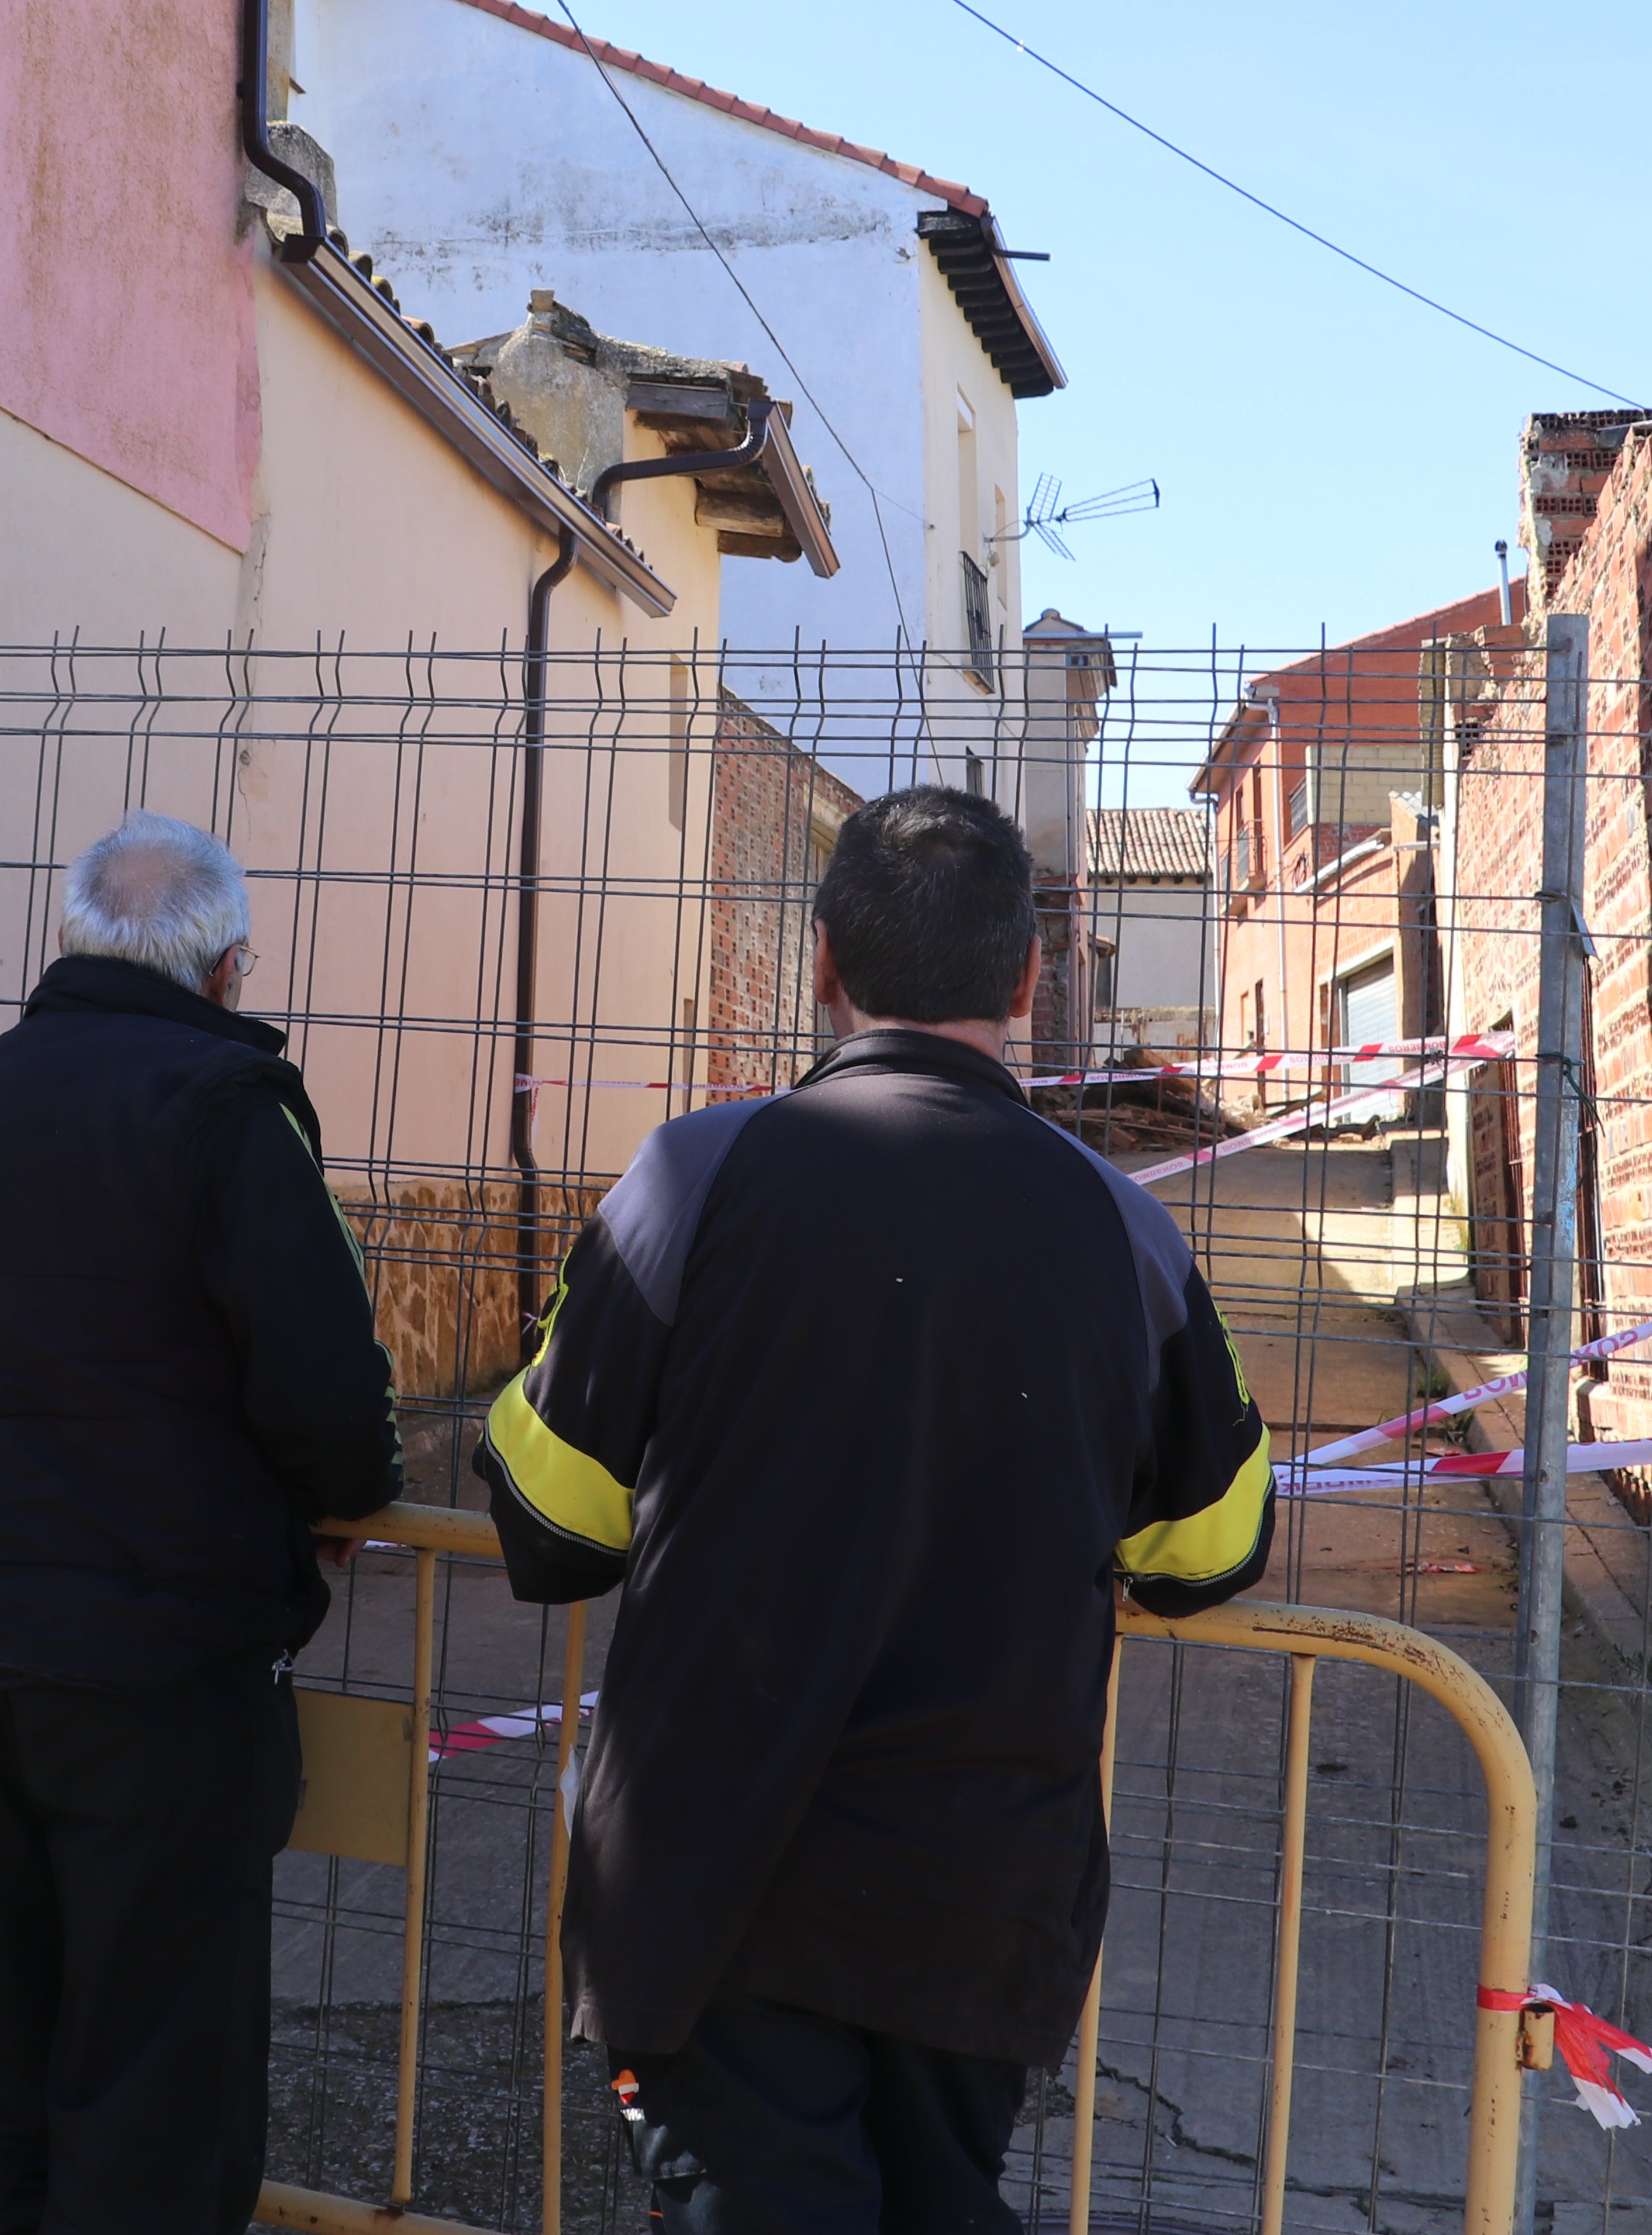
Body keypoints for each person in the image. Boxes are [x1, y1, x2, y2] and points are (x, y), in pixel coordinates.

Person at [477, 783, 1275, 2235]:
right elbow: (1209, 1549)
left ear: (825, 959)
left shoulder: (692, 1177)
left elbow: (550, 1518)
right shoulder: (1126, 1228)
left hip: (717, 1882)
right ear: (1031, 980)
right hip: (978, 1903)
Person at [0, 811, 404, 2235]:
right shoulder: (226, 1107)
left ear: (71, 945)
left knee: (27, 2091)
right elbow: (331, 1394)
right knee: (155, 2103)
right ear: (229, 969)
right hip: (158, 1671)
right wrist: (332, 1507)